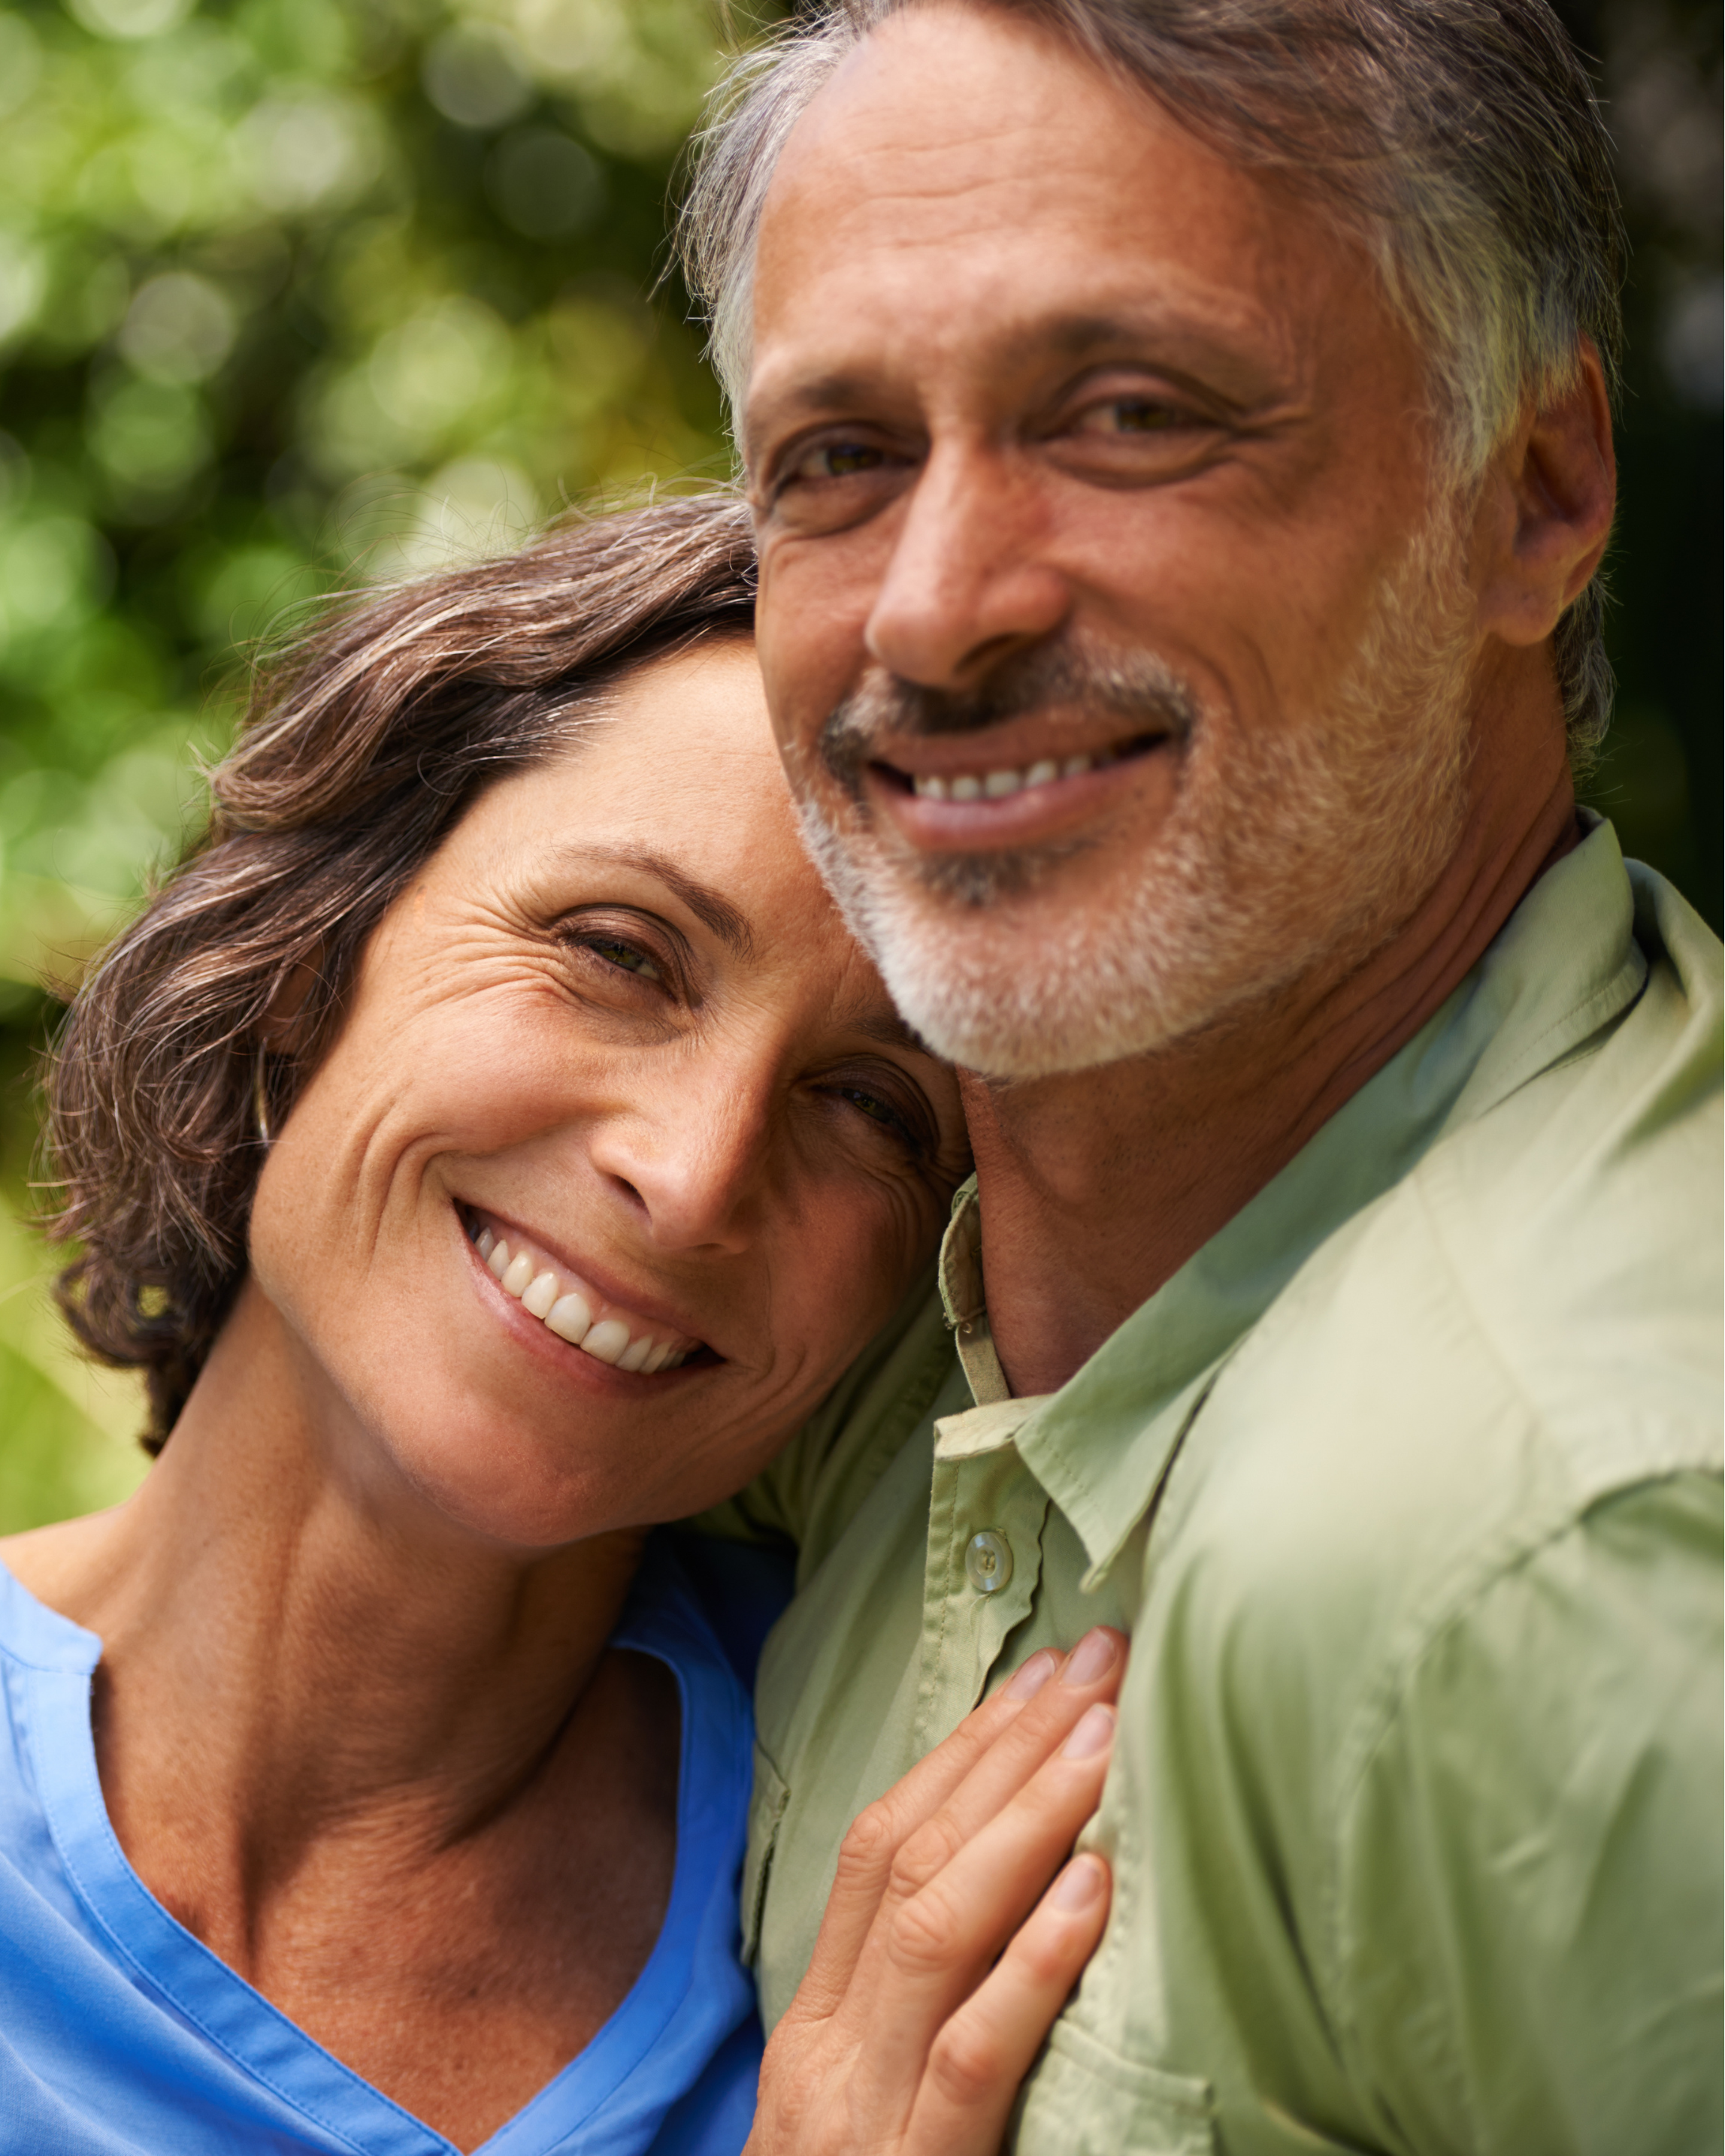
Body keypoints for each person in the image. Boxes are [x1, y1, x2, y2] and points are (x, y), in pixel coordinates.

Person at [676, 3, 1725, 2151]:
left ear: (1532, 492)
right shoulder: (864, 1321)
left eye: (1131, 414)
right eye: (838, 461)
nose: (941, 613)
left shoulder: (1560, 1550)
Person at [0, 495, 1130, 2156]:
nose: (693, 1175)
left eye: (875, 1109)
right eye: (617, 952)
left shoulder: (936, 1823)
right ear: (312, 959)